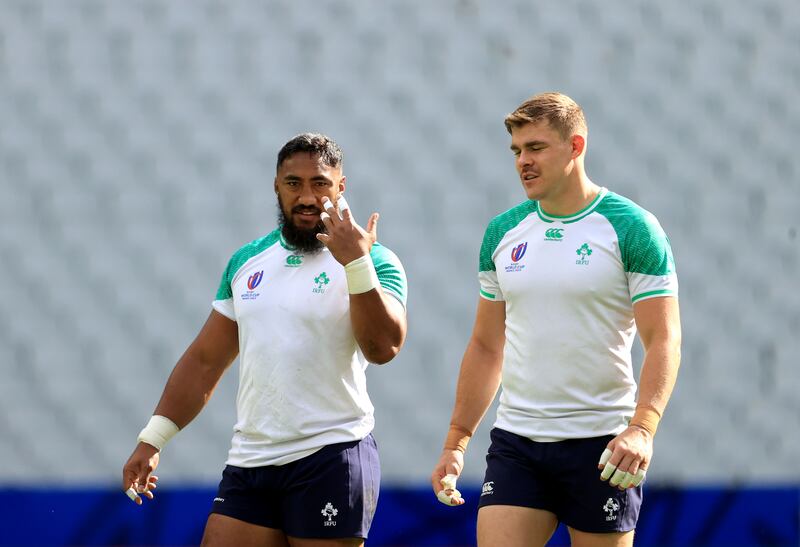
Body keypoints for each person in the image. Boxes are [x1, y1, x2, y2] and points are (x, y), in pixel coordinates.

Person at [122, 132, 408, 547]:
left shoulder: (375, 259)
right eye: (294, 184)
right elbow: (205, 360)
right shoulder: (246, 262)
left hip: (331, 454)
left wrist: (357, 264)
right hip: (252, 460)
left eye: (320, 183)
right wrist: (153, 438)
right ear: (277, 186)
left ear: (341, 187)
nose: (307, 196)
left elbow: (384, 348)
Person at [430, 92, 681, 547]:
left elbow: (663, 338)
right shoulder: (502, 233)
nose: (522, 161)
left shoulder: (633, 228)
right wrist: (457, 441)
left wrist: (643, 429)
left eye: (536, 148)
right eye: (516, 151)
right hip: (518, 444)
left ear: (576, 146)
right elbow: (487, 345)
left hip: (603, 445)